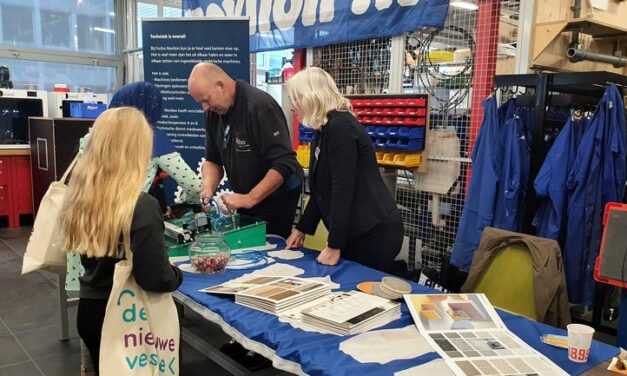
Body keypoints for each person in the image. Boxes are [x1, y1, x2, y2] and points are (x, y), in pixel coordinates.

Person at [60, 107, 183, 374]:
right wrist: (176, 275)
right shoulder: (141, 206)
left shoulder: (80, 197)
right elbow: (154, 277)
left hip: (91, 310)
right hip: (128, 317)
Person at [285, 67, 403, 273]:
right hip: (354, 231)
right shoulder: (323, 129)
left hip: (373, 232)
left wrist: (334, 245)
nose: (293, 107)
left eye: (296, 99)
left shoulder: (341, 128)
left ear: (311, 97)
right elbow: (321, 190)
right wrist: (302, 228)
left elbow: (343, 189)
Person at [188, 62, 302, 239]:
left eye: (206, 99)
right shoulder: (213, 113)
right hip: (246, 196)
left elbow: (284, 162)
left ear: (221, 85)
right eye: (200, 103)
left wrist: (250, 198)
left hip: (276, 197)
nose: (205, 107)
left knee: (267, 249)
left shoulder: (260, 106)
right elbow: (213, 159)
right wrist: (208, 188)